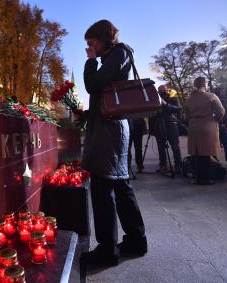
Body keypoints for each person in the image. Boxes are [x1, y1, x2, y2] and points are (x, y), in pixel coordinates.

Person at [79, 19, 147, 267]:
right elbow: (106, 95)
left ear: (102, 37)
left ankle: (107, 250)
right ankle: (136, 240)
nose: (90, 46)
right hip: (113, 128)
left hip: (110, 132)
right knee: (121, 187)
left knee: (102, 189)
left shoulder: (117, 53)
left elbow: (92, 85)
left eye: (91, 42)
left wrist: (90, 61)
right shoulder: (117, 55)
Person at [185, 77, 225, 185]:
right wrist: (215, 118)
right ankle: (206, 179)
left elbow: (187, 115)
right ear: (205, 84)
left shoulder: (189, 99)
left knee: (196, 153)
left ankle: (197, 177)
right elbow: (221, 112)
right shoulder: (211, 96)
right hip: (208, 126)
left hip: (193, 127)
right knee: (206, 154)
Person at [149, 85, 182, 173]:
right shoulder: (154, 99)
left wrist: (166, 104)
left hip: (171, 124)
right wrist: (151, 129)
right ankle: (163, 165)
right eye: (159, 90)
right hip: (158, 125)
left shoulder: (172, 97)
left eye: (162, 90)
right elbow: (151, 115)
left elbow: (178, 108)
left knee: (175, 146)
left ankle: (178, 165)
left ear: (166, 89)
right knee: (161, 147)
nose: (160, 92)